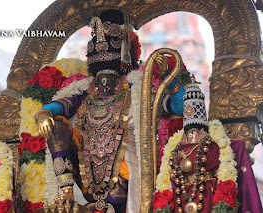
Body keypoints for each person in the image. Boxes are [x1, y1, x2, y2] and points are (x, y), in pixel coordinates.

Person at [35, 9, 186, 213]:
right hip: (87, 181)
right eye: (100, 81)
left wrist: (171, 79)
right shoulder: (83, 96)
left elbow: (180, 106)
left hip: (122, 186)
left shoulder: (136, 96)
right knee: (56, 124)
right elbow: (58, 106)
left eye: (109, 80)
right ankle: (66, 195)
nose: (104, 85)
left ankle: (96, 208)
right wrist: (43, 114)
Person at [154, 76, 242, 213]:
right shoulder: (176, 147)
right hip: (182, 193)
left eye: (195, 132)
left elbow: (208, 162)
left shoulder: (212, 146)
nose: (192, 137)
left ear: (203, 132)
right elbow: (173, 167)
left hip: (206, 191)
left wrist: (185, 157)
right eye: (189, 134)